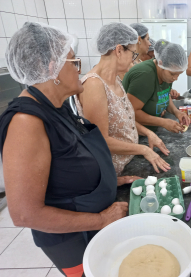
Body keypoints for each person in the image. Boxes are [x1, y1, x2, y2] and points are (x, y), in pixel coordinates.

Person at [1, 22, 128, 276]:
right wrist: (102, 220)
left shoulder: (56, 105)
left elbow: (69, 166)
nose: (80, 70)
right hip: (70, 240)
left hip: (91, 220)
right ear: (54, 68)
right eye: (74, 62)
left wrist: (112, 181)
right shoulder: (26, 122)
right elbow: (26, 215)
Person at [75, 23, 171, 175]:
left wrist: (148, 133)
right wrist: (143, 149)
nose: (133, 60)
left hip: (128, 161)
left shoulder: (116, 78)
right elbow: (101, 140)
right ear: (119, 50)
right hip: (111, 171)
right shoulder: (94, 84)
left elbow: (124, 119)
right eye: (133, 54)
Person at [124, 39, 190, 133]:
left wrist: (177, 112)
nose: (176, 78)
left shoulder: (166, 75)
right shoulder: (145, 75)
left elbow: (164, 95)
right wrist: (163, 122)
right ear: (161, 64)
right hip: (135, 134)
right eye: (172, 74)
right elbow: (131, 112)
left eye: (178, 74)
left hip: (151, 131)